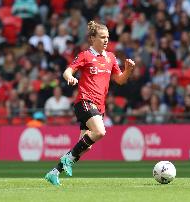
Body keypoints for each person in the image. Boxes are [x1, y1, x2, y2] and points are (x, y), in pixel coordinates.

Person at [45, 21, 135, 186]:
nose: (106, 40)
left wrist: (128, 70)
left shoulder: (111, 58)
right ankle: (67, 158)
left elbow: (120, 80)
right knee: (100, 131)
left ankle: (54, 172)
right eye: (102, 37)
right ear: (92, 39)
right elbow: (67, 71)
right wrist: (70, 77)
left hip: (99, 107)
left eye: (107, 37)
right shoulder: (85, 55)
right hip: (85, 101)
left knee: (86, 146)